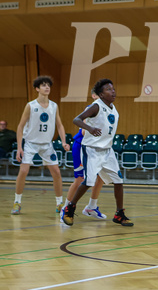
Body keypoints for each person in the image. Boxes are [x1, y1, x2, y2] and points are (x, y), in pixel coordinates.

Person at [61, 79, 133, 227]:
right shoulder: (96, 106)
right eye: (108, 89)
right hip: (92, 150)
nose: (112, 91)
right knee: (88, 181)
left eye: (113, 89)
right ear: (100, 94)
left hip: (107, 151)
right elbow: (77, 119)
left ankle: (119, 213)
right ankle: (69, 208)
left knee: (118, 181)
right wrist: (90, 129)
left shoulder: (113, 108)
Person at [12, 76, 69, 215]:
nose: (47, 87)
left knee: (56, 172)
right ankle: (17, 202)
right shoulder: (31, 106)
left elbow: (59, 125)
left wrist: (63, 141)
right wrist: (19, 147)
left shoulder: (54, 106)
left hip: (47, 145)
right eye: (43, 85)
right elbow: (20, 127)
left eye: (48, 85)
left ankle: (59, 203)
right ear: (37, 89)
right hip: (30, 143)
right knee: (24, 171)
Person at [65, 127, 107, 220]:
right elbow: (84, 132)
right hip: (82, 146)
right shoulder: (91, 112)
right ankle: (65, 209)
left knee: (101, 176)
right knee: (80, 180)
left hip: (96, 147)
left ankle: (91, 207)